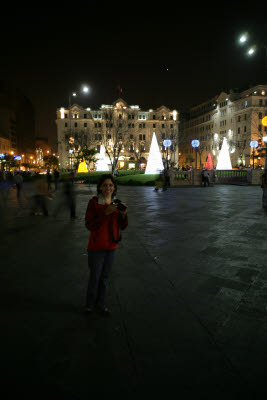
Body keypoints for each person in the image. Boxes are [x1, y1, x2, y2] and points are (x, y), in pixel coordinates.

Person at [84, 174, 128, 315]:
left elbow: (123, 226)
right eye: (105, 185)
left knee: (105, 277)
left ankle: (101, 304)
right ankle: (90, 305)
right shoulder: (94, 202)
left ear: (114, 187)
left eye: (110, 185)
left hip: (111, 246)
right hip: (96, 247)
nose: (108, 188)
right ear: (100, 187)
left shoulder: (116, 203)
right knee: (95, 277)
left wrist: (123, 215)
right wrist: (106, 213)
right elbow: (90, 225)